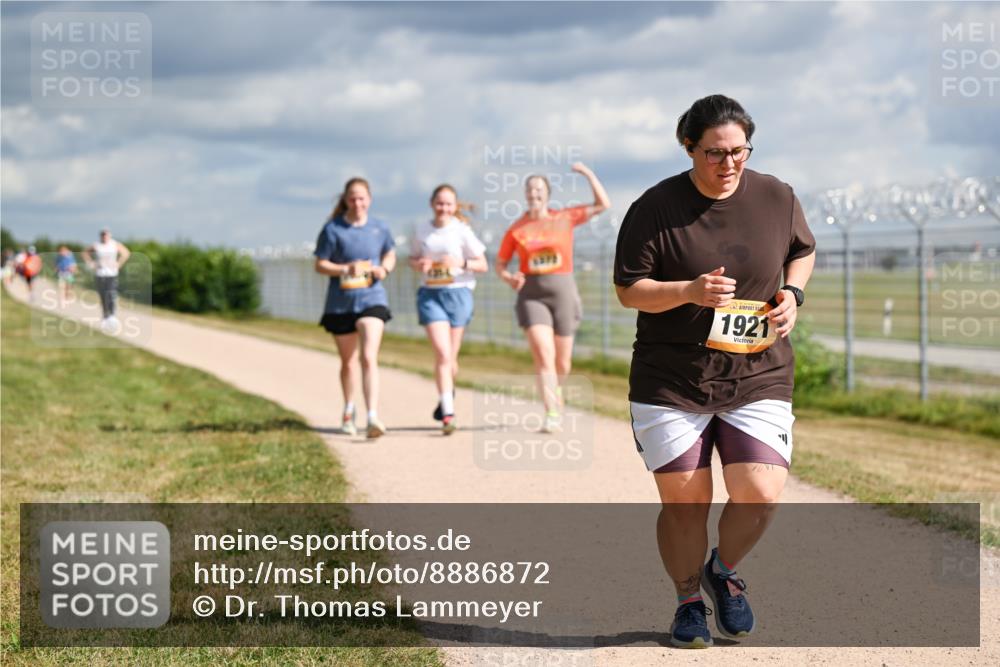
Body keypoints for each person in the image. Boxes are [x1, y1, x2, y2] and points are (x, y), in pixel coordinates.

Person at [613, 94, 816, 648]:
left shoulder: (776, 195)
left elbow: (803, 249)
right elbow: (630, 290)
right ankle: (686, 600)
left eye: (739, 151)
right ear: (689, 147)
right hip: (671, 378)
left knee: (760, 492)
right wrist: (689, 291)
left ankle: (722, 572)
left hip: (758, 371)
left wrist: (793, 292)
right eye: (715, 153)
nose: (729, 164)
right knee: (685, 501)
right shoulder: (654, 208)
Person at [495, 162, 610, 433]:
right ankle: (552, 412)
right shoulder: (517, 228)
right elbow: (499, 264)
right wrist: (508, 277)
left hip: (564, 295)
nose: (534, 193)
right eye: (530, 189)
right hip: (531, 296)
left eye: (539, 189)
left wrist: (588, 174)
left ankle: (555, 392)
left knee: (562, 362)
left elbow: (602, 204)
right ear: (526, 194)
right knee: (544, 356)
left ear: (547, 194)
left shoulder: (565, 217)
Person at [314, 177, 396, 439]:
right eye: (352, 198)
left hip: (372, 299)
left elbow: (390, 253)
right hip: (341, 303)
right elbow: (320, 264)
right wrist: (344, 269)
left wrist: (384, 268)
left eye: (362, 198)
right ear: (345, 199)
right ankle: (349, 408)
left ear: (369, 199)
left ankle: (373, 415)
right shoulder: (332, 229)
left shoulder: (379, 228)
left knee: (369, 356)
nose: (357, 203)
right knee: (348, 362)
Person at [409, 184, 488, 434]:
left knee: (451, 359)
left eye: (448, 204)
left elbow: (483, 264)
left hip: (458, 294)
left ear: (455, 207)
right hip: (431, 294)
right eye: (439, 203)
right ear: (432, 204)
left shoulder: (462, 231)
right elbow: (411, 258)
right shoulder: (422, 229)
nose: (443, 208)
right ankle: (449, 414)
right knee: (442, 354)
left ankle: (446, 393)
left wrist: (460, 263)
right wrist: (420, 264)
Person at [83, 229, 131, 331]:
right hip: (100, 273)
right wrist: (92, 264)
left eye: (106, 235)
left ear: (109, 235)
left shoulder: (114, 244)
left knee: (111, 293)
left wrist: (119, 263)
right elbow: (85, 253)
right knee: (103, 295)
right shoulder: (97, 245)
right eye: (102, 235)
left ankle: (112, 316)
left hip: (111, 273)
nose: (104, 236)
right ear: (101, 236)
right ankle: (105, 316)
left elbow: (126, 253)